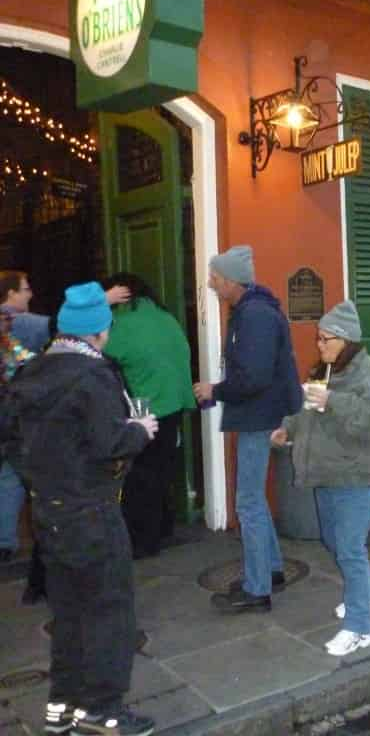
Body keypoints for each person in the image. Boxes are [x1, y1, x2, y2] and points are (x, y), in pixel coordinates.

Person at [6, 282, 159, 736]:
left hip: (48, 511)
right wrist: (140, 430)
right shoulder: (94, 376)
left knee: (69, 613)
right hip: (91, 510)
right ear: (99, 330)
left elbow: (13, 441)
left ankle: (62, 709)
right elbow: (109, 443)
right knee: (109, 612)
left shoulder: (31, 373)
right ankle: (104, 711)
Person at [271, 301, 370, 658]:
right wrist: (288, 429)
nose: (320, 345)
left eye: (326, 339)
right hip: (326, 470)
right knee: (333, 540)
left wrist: (333, 401)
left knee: (350, 548)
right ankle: (369, 593)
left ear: (346, 340)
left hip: (355, 474)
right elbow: (308, 407)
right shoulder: (326, 369)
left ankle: (360, 627)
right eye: (319, 338)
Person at [0, 271, 129, 600]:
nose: (30, 294)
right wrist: (139, 433)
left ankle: (17, 557)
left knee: (17, 483)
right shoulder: (87, 371)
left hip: (29, 444)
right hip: (80, 500)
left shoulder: (37, 361)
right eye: (26, 289)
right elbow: (109, 443)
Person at [194, 245, 303, 613]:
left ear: (229, 280)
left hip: (259, 416)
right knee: (255, 498)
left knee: (249, 502)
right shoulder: (254, 310)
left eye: (214, 277)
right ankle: (270, 570)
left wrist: (215, 390)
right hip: (263, 413)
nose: (210, 283)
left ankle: (258, 590)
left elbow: (253, 377)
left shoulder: (253, 315)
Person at [100, 274, 196, 559]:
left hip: (147, 409)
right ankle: (164, 527)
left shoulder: (122, 324)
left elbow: (91, 348)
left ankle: (143, 541)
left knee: (140, 477)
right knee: (161, 471)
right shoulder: (166, 317)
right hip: (175, 403)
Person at [0, 306, 34, 563]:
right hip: (9, 419)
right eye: (4, 317)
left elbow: (29, 361)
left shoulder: (9, 342)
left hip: (9, 419)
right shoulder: (8, 344)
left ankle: (5, 542)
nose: (8, 321)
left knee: (10, 477)